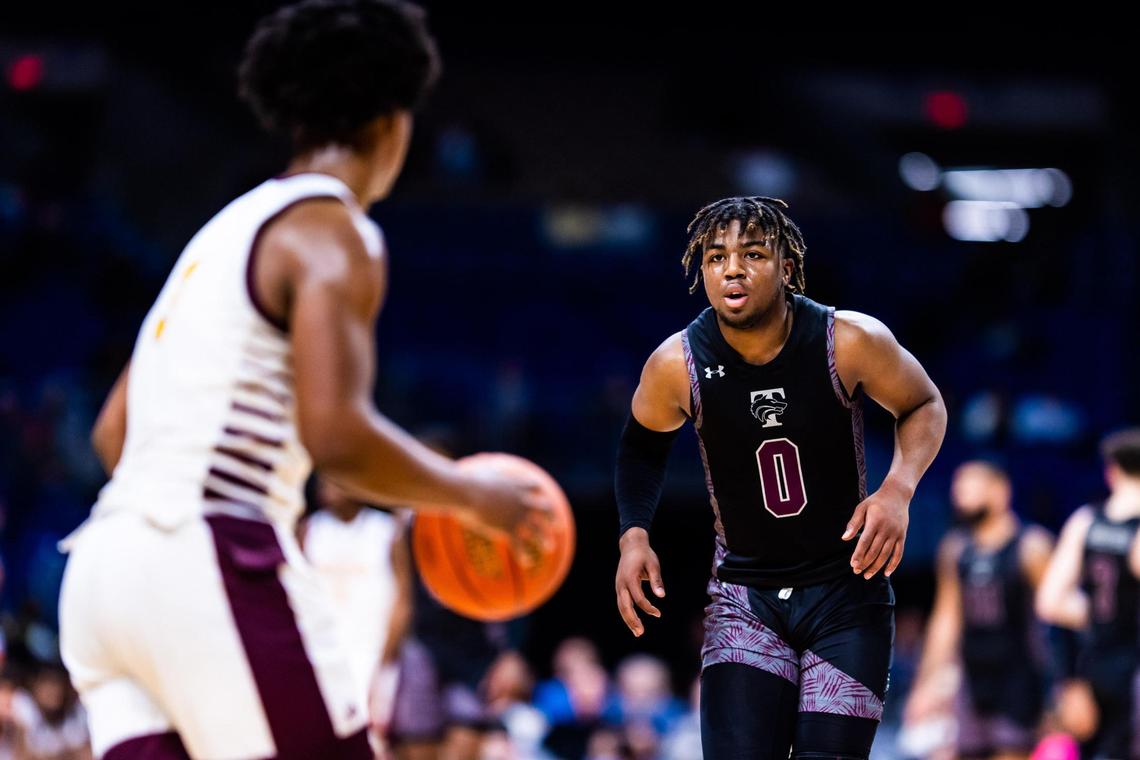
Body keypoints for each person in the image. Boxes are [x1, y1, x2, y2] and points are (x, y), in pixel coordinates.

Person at [56, 2, 550, 758]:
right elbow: (338, 436)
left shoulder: (216, 237)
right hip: (206, 548)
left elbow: (110, 433)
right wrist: (470, 494)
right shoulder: (336, 230)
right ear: (393, 122)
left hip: (98, 573)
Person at [613, 196, 947, 759]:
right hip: (746, 596)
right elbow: (641, 447)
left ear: (787, 268)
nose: (732, 269)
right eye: (716, 258)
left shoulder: (848, 340)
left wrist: (898, 488)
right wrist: (633, 535)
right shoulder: (677, 363)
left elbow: (924, 404)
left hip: (847, 593)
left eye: (752, 254)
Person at [904, 460, 1054, 760]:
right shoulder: (956, 549)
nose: (960, 495)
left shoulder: (1031, 546)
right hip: (971, 677)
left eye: (971, 487)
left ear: (1000, 491)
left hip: (1019, 677)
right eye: (958, 489)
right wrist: (926, 684)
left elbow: (1054, 622)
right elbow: (946, 620)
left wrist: (1059, 688)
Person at [1036, 429, 1140, 759]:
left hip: (1094, 665)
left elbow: (1049, 603)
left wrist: (1097, 612)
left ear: (1111, 471)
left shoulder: (1085, 522)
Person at [299, 477, 412, 756]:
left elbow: (403, 599)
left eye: (337, 479)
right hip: (320, 652)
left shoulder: (387, 531)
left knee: (372, 740)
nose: (328, 486)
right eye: (325, 479)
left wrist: (386, 659)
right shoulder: (309, 530)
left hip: (371, 650)